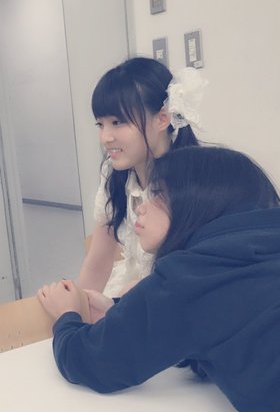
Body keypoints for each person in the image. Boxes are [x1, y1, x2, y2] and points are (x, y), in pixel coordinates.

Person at [37, 146, 280, 412]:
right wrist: (120, 309)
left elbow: (93, 361)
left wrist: (66, 316)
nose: (141, 207)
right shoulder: (272, 256)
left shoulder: (189, 279)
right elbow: (223, 319)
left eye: (158, 194)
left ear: (197, 203)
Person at [77, 57, 206, 299]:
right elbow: (98, 260)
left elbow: (192, 277)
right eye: (100, 124)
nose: (105, 138)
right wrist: (77, 311)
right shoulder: (114, 175)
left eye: (117, 122)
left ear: (162, 119)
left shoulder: (191, 183)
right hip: (137, 290)